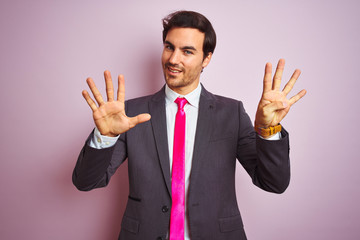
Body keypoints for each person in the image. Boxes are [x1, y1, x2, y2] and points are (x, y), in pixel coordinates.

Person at [73, 10, 306, 240]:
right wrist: (104, 137)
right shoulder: (130, 114)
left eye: (187, 51)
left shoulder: (231, 113)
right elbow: (86, 182)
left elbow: (274, 183)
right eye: (169, 47)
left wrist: (268, 131)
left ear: (206, 58)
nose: (173, 59)